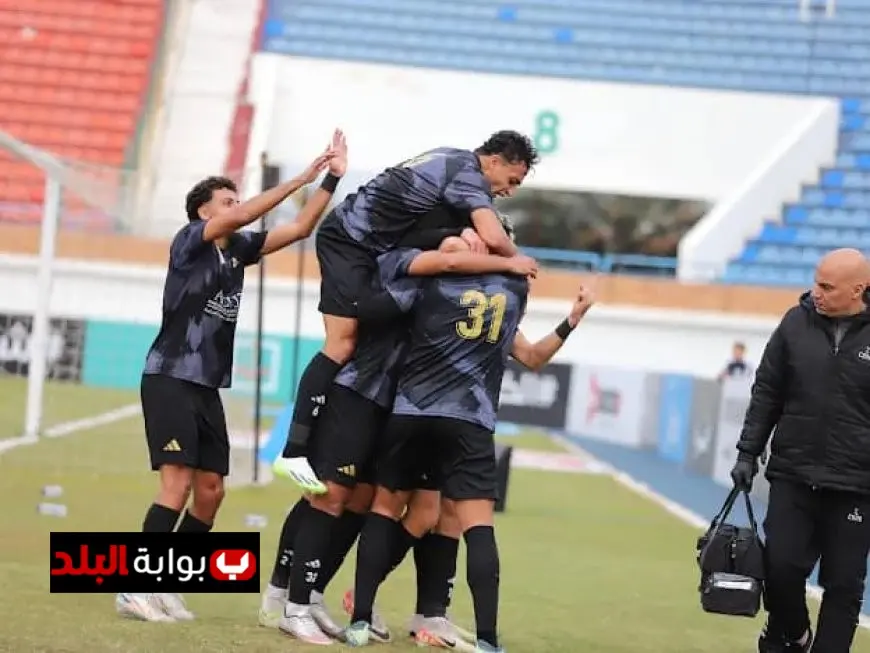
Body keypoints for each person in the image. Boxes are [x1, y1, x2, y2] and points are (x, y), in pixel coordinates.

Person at [115, 130, 347, 623]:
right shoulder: (190, 244)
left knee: (213, 491)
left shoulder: (238, 251)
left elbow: (302, 227)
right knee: (175, 486)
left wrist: (330, 178)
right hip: (170, 376)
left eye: (237, 199)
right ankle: (135, 588)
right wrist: (300, 176)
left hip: (205, 387)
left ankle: (167, 585)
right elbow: (244, 216)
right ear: (204, 212)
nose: (237, 206)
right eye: (227, 201)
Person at [261, 236, 538, 645]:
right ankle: (284, 598)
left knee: (361, 502)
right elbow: (362, 313)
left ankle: (316, 595)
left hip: (399, 409)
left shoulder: (457, 290)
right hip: (358, 393)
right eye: (455, 245)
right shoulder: (409, 271)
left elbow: (518, 347)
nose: (460, 254)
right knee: (328, 495)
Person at [275, 131, 540, 494]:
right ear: (494, 161)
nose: (510, 191)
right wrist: (515, 261)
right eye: (512, 180)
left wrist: (459, 234)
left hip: (370, 248)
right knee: (341, 342)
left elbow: (440, 232)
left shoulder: (451, 161)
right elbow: (494, 238)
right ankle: (292, 451)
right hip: (349, 243)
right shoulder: (467, 174)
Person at [344, 277, 596, 651]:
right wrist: (572, 320)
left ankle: (366, 620)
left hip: (411, 413)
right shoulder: (498, 305)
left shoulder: (434, 288)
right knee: (474, 526)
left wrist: (570, 320)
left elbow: (531, 356)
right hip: (466, 421)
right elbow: (533, 358)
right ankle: (486, 641)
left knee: (411, 512)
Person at [730, 248, 870, 653]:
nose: (816, 292)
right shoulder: (795, 323)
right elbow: (767, 391)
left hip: (856, 484)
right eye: (816, 281)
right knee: (780, 569)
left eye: (827, 286)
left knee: (844, 585)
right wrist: (746, 453)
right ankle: (793, 634)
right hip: (793, 473)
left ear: (858, 289)